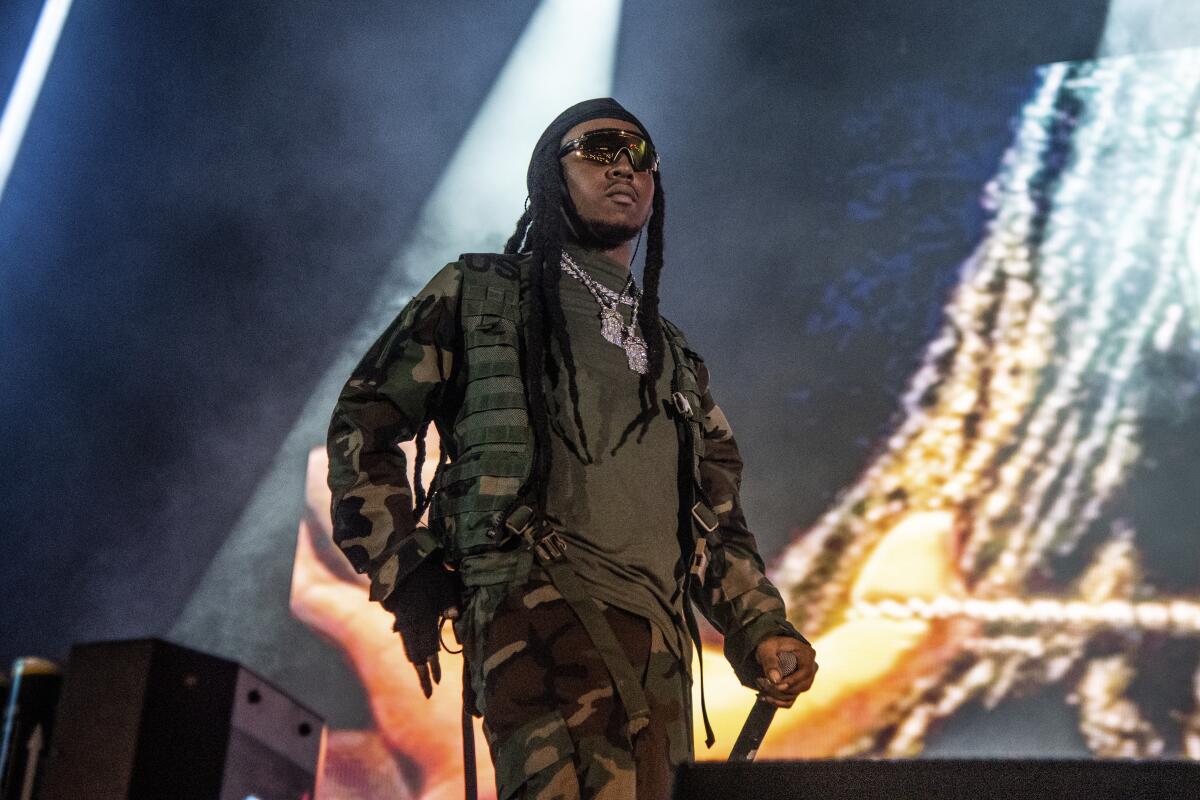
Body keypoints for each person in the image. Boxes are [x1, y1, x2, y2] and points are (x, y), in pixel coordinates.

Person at [327, 98, 818, 800]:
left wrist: (760, 627)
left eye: (641, 155)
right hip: (541, 613)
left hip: (661, 647)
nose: (625, 167)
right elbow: (363, 423)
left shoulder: (672, 352)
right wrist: (405, 567)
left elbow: (717, 519)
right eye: (599, 148)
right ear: (551, 177)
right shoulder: (483, 295)